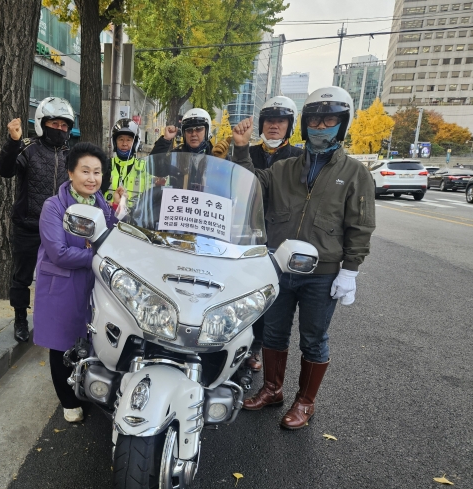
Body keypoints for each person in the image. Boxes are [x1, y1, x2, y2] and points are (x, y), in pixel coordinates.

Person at [230, 86, 376, 429]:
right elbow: (251, 183)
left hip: (322, 272)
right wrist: (240, 149)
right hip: (279, 266)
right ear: (305, 124)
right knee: (276, 332)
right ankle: (272, 388)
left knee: (314, 337)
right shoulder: (286, 168)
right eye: (314, 119)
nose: (320, 126)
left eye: (329, 120)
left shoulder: (355, 174)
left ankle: (305, 402)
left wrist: (350, 271)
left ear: (342, 124)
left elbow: (361, 226)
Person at [33, 143, 124, 423]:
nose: (92, 178)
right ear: (71, 172)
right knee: (62, 344)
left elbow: (112, 235)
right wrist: (96, 257)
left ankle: (89, 388)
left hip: (91, 283)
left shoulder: (100, 204)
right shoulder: (54, 206)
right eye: (85, 171)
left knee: (91, 339)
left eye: (97, 172)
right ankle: (68, 401)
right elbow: (58, 252)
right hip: (61, 284)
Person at [229, 96, 304, 373]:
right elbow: (235, 184)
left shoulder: (299, 157)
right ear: (261, 124)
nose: (275, 126)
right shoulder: (248, 151)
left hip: (280, 236)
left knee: (269, 297)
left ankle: (257, 347)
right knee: (239, 290)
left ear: (290, 125)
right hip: (245, 232)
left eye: (281, 121)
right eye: (270, 120)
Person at [0, 97, 75, 343]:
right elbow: (5, 170)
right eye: (54, 123)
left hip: (59, 230)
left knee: (57, 277)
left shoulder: (71, 155)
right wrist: (13, 142)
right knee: (22, 276)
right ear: (43, 123)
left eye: (64, 125)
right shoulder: (27, 148)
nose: (59, 129)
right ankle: (20, 318)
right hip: (28, 225)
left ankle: (53, 318)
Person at [101, 118, 146, 208]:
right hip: (107, 216)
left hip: (134, 219)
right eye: (121, 139)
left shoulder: (144, 167)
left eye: (129, 140)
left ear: (135, 143)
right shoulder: (105, 165)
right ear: (115, 142)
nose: (124, 143)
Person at [150, 108, 223, 157]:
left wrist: (235, 146)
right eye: (189, 130)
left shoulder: (219, 156)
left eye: (198, 129)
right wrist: (166, 140)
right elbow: (154, 167)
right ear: (184, 134)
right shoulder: (176, 156)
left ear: (207, 131)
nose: (193, 134)